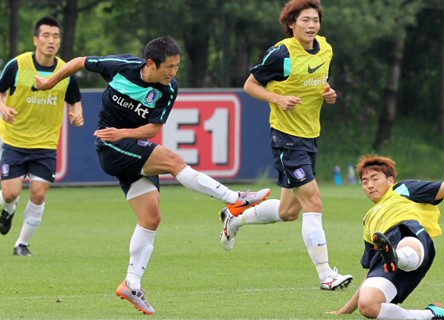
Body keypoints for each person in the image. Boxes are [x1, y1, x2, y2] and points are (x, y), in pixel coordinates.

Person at [34, 35, 270, 315]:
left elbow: (153, 129)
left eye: (177, 66)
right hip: (110, 146)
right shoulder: (120, 66)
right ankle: (234, 199)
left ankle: (131, 283)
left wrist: (124, 132)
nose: (173, 72)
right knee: (173, 160)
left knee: (151, 217)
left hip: (130, 142)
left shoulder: (169, 90)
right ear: (150, 64)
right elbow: (78, 62)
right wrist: (51, 82)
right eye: (169, 66)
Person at [218, 0, 352, 290]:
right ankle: (326, 275)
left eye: (315, 20)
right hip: (286, 137)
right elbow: (250, 85)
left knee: (289, 212)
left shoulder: (326, 48)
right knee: (313, 201)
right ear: (292, 24)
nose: (311, 25)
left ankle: (235, 218)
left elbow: (319, 83)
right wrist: (278, 99)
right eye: (305, 20)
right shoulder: (281, 53)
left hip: (310, 135)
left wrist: (329, 93)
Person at [0, 16, 84, 257]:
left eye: (56, 36)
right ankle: (8, 209)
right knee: (11, 193)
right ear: (36, 39)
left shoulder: (65, 71)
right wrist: (2, 108)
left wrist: (77, 114)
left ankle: (22, 244)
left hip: (45, 144)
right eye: (46, 35)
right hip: (15, 140)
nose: (51, 41)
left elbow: (74, 100)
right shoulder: (18, 65)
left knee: (39, 193)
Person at [331, 155, 444, 319]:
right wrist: (344, 311)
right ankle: (431, 315)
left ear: (390, 180)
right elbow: (369, 274)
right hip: (384, 257)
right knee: (368, 306)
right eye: (365, 182)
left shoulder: (403, 189)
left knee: (404, 240)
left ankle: (397, 256)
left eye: (374, 178)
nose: (370, 185)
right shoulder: (368, 220)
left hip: (410, 235)